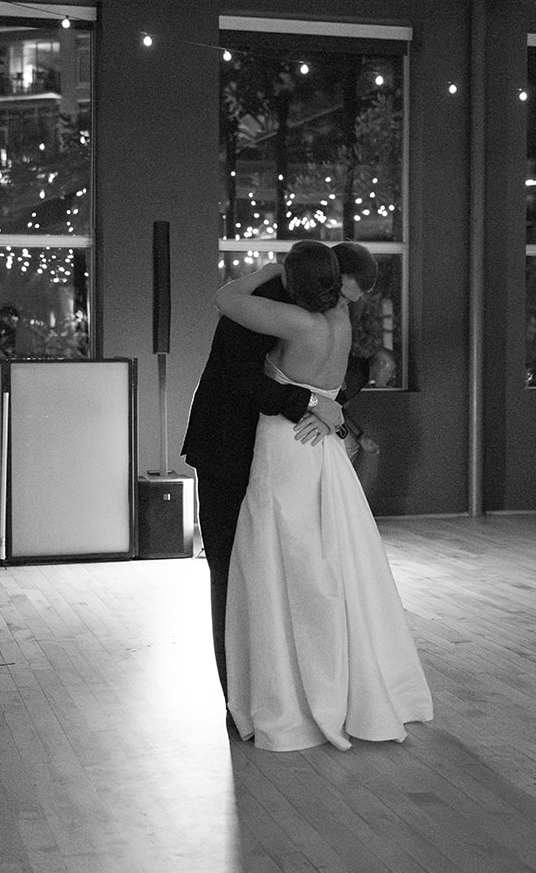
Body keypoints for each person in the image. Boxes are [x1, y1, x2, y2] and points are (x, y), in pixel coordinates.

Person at [215, 243, 432, 751]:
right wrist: (323, 405)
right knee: (331, 563)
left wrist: (266, 270)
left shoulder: (297, 323)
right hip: (323, 448)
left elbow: (225, 297)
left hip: (283, 445)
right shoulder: (340, 320)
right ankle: (345, 685)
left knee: (282, 568)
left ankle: (292, 694)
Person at [181, 242, 375, 699]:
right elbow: (239, 378)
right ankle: (240, 696)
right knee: (232, 572)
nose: (348, 303)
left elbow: (351, 371)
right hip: (228, 449)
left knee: (299, 569)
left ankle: (297, 688)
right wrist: (311, 401)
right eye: (347, 292)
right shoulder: (265, 302)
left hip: (293, 449)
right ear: (330, 275)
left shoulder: (327, 310)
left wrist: (328, 406)